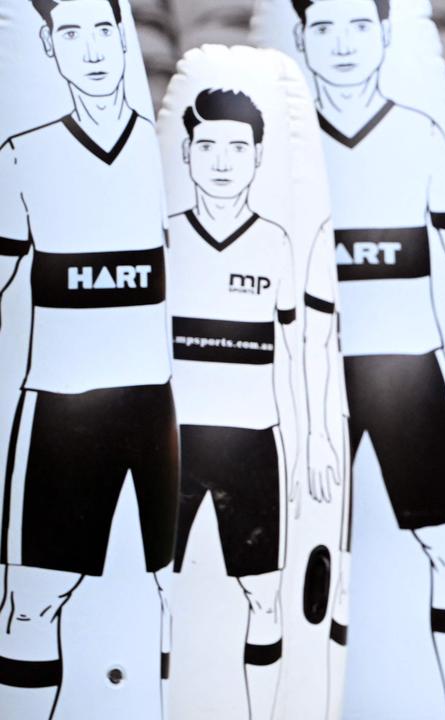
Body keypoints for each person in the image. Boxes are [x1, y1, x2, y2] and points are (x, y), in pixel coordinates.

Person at [291, 1, 445, 717]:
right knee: (310, 559)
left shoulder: (421, 134)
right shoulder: (284, 145)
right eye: (324, 29)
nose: (342, 45)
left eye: (358, 26)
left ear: (385, 34)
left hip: (412, 376)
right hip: (319, 381)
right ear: (302, 39)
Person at [0, 1, 177, 717]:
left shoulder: (160, 156)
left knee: (159, 597)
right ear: (48, 46)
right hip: (59, 410)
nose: (93, 49)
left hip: (151, 410)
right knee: (34, 604)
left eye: (105, 29)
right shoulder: (23, 157)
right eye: (70, 33)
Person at [167, 87, 303, 720]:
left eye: (237, 147)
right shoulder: (162, 241)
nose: (222, 160)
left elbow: (297, 356)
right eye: (208, 146)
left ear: (257, 157)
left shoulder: (276, 244)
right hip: (171, 442)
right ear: (188, 154)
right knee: (160, 591)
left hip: (254, 442)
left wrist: (308, 441)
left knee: (264, 595)